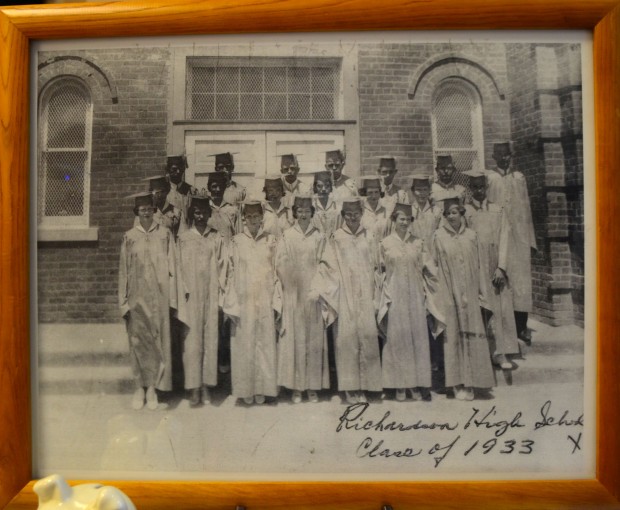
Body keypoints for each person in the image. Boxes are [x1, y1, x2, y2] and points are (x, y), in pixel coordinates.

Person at [317, 198, 382, 404]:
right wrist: (335, 292)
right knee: (347, 340)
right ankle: (350, 388)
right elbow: (328, 266)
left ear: (362, 213)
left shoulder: (369, 236)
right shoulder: (336, 237)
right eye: (348, 214)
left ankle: (368, 385)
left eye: (356, 214)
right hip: (344, 294)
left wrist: (374, 293)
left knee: (368, 336)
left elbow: (377, 265)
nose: (352, 218)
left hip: (366, 293)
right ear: (343, 215)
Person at [429, 194, 494, 401]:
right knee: (453, 337)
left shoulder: (472, 236)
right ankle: (457, 383)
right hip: (449, 294)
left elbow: (480, 266)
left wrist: (483, 294)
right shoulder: (438, 237)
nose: (451, 216)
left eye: (455, 212)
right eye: (447, 213)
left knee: (473, 334)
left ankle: (472, 381)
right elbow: (433, 266)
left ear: (462, 213)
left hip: (471, 294)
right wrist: (438, 294)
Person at [378, 203, 443, 401]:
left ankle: (416, 384)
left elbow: (430, 269)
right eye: (401, 219)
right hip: (395, 295)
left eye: (408, 219)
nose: (405, 222)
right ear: (394, 220)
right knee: (398, 338)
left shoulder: (418, 243)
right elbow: (379, 272)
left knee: (417, 338)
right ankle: (399, 385)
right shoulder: (385, 243)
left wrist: (433, 290)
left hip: (415, 296)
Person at [118, 192, 177, 410]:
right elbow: (123, 271)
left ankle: (152, 388)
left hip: (159, 299)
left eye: (149, 209)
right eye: (141, 209)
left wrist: (172, 298)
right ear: (136, 212)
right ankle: (138, 387)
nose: (146, 212)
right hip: (136, 298)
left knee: (156, 344)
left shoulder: (164, 235)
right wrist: (123, 302)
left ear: (154, 211)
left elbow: (173, 268)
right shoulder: (129, 237)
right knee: (137, 343)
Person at [222, 201, 278, 405]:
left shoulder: (271, 240)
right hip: (244, 298)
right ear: (243, 218)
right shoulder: (237, 241)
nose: (253, 219)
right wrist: (231, 300)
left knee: (263, 342)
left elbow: (276, 269)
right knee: (244, 343)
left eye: (257, 216)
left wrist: (275, 297)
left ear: (262, 217)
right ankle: (246, 388)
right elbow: (230, 272)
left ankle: (262, 388)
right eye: (249, 216)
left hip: (264, 297)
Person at [275, 195, 329, 403]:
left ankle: (312, 387)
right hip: (294, 294)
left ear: (312, 213)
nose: (304, 214)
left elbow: (325, 264)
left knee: (313, 340)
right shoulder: (287, 236)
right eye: (300, 210)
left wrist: (317, 288)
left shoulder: (319, 236)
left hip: (313, 295)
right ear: (295, 213)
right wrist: (291, 286)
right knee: (295, 339)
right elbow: (281, 262)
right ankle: (297, 387)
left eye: (307, 210)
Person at [463, 170, 519, 370]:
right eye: (474, 187)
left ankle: (501, 353)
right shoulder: (466, 212)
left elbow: (505, 237)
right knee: (480, 309)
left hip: (495, 266)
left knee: (500, 309)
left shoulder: (498, 209)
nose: (479, 190)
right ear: (470, 189)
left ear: (487, 188)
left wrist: (501, 267)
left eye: (481, 186)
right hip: (476, 266)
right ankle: (482, 354)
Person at [176, 195, 226, 407]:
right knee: (192, 342)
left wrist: (222, 295)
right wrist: (183, 293)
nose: (200, 216)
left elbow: (224, 267)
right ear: (191, 214)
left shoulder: (217, 238)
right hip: (191, 297)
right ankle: (193, 388)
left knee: (210, 339)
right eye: (196, 212)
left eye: (204, 212)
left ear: (209, 214)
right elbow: (178, 269)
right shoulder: (184, 239)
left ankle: (206, 386)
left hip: (212, 294)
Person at [485, 141, 537, 344]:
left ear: (511, 156)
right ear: (494, 157)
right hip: (500, 236)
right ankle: (502, 326)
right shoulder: (491, 179)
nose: (504, 158)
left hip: (520, 237)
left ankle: (521, 327)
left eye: (507, 155)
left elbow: (527, 209)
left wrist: (530, 240)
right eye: (500, 155)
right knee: (501, 278)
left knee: (521, 282)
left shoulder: (519, 178)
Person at [407, 174, 443, 246]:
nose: (422, 193)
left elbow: (441, 235)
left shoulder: (437, 211)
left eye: (425, 189)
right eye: (418, 190)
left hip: (432, 252)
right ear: (413, 191)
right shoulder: (408, 211)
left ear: (429, 190)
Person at [165, 154, 196, 233]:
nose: (178, 172)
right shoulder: (164, 191)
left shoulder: (191, 191)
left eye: (181, 169)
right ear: (168, 170)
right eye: (174, 169)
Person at [205, 172, 238, 241]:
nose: (218, 189)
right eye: (214, 186)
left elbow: (238, 234)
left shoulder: (232, 209)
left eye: (221, 186)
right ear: (209, 187)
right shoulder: (204, 209)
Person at [311, 170, 342, 236]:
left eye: (327, 185)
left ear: (331, 187)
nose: (323, 189)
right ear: (315, 188)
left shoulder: (337, 206)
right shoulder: (311, 206)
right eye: (319, 186)